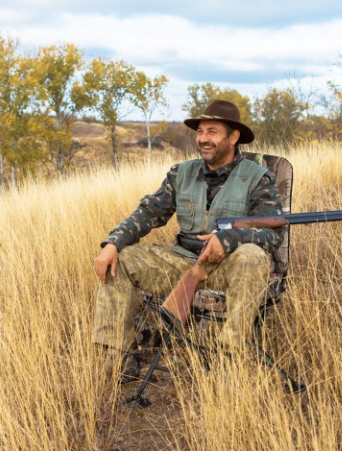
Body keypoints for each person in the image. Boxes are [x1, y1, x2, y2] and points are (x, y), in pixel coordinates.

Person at [92, 99, 285, 382]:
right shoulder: (180, 173)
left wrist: (229, 239)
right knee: (120, 261)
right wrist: (112, 243)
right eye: (200, 132)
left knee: (253, 257)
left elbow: (272, 233)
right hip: (180, 260)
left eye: (212, 132)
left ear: (233, 137)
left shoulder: (258, 179)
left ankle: (231, 356)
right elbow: (149, 212)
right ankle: (119, 356)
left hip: (228, 267)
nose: (203, 139)